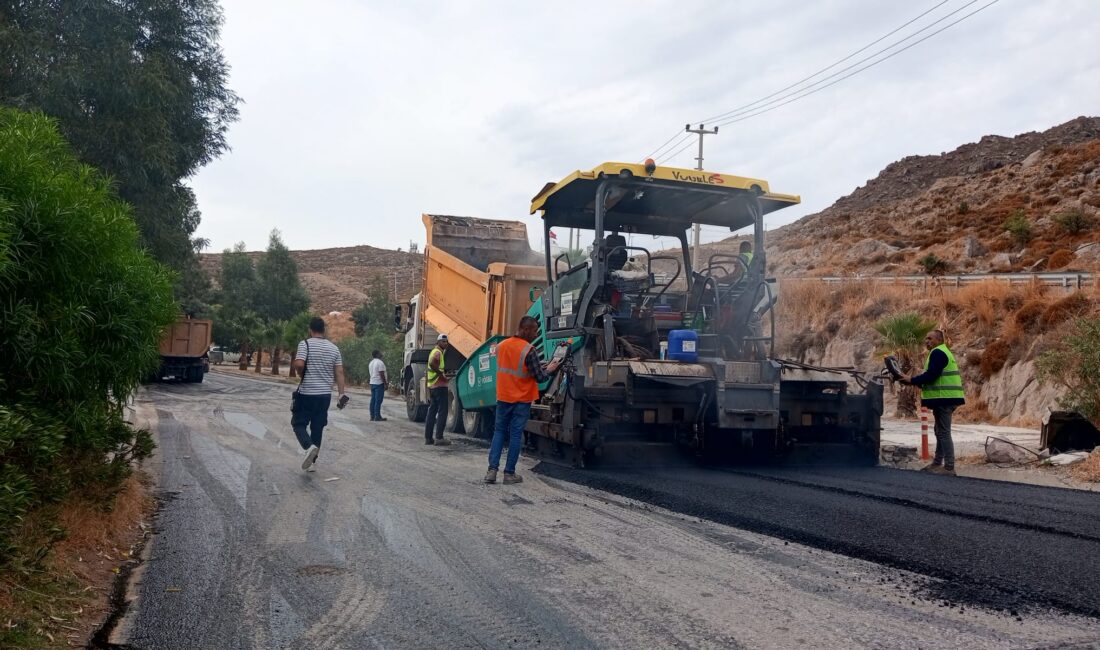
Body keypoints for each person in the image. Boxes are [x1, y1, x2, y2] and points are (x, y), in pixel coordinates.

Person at [483, 316, 563, 485]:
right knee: (516, 435)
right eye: (534, 331)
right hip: (521, 399)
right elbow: (540, 378)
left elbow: (515, 367)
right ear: (525, 329)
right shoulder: (530, 350)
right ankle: (509, 474)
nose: (535, 334)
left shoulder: (501, 346)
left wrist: (537, 366)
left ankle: (491, 471)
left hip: (503, 397)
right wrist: (550, 368)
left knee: (499, 432)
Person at [903, 329, 965, 476]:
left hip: (945, 398)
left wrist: (911, 380)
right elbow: (933, 377)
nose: (927, 341)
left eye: (930, 339)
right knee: (939, 431)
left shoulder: (938, 353)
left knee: (943, 432)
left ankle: (949, 467)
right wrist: (917, 382)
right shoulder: (941, 352)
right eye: (926, 339)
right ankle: (937, 463)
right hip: (944, 398)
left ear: (939, 340)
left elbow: (931, 376)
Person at [291, 317, 347, 472]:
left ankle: (309, 447)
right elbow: (340, 372)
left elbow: (300, 364)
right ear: (324, 330)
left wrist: (298, 369)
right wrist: (341, 394)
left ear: (311, 330)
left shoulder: (305, 344)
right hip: (324, 395)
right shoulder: (334, 348)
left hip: (307, 392)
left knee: (298, 423)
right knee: (317, 427)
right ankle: (312, 463)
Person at [424, 333, 452, 446]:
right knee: (442, 412)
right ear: (438, 342)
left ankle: (428, 438)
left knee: (432, 412)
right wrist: (442, 375)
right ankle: (439, 438)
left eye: (446, 341)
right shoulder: (437, 352)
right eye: (443, 341)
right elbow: (432, 363)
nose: (445, 343)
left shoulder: (433, 351)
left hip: (433, 386)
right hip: (439, 386)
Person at [368, 349, 388, 421]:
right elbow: (381, 374)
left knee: (373, 400)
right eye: (380, 352)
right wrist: (385, 383)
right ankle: (377, 416)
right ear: (377, 354)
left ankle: (372, 416)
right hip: (379, 383)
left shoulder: (371, 363)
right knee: (378, 400)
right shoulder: (380, 363)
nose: (381, 353)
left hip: (372, 382)